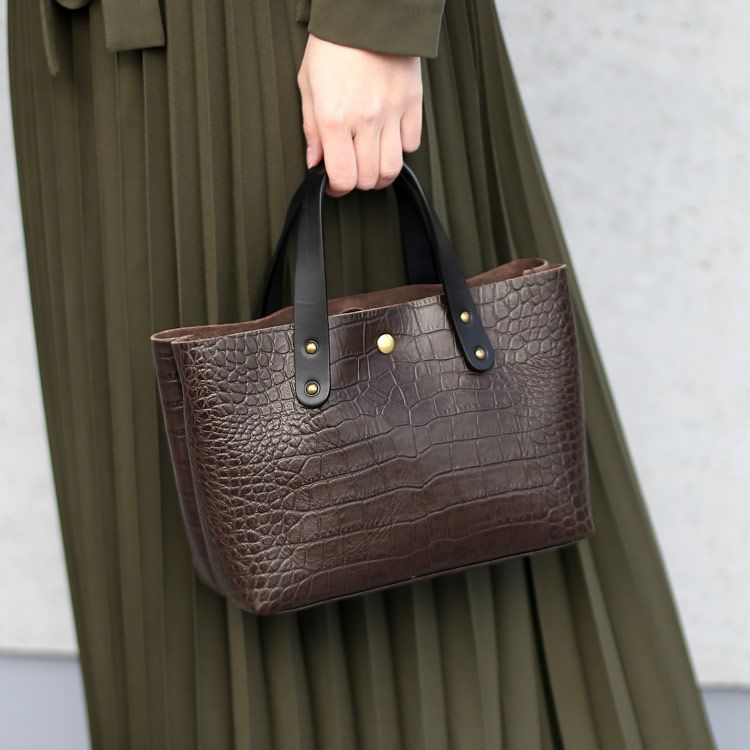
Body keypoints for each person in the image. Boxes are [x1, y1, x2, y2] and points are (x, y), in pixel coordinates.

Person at [9, 1, 714, 747]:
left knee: (411, 481)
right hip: (80, 72)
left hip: (279, 41)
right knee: (155, 521)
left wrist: (373, 23)